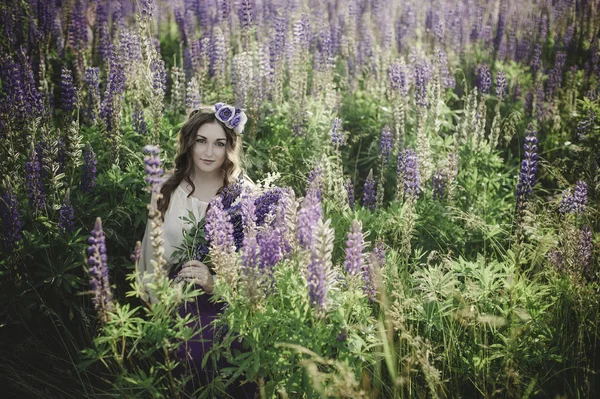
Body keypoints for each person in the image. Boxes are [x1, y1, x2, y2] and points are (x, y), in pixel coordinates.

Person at [138, 103, 256, 397]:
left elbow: (256, 270)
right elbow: (151, 257)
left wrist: (214, 283)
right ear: (189, 141)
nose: (208, 152)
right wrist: (159, 304)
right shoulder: (165, 187)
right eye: (201, 140)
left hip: (228, 303)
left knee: (230, 354)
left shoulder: (245, 193)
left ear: (230, 147)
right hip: (176, 299)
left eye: (219, 143)